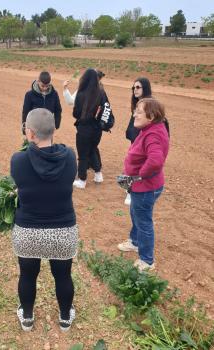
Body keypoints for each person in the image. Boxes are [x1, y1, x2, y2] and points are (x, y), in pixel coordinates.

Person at [11, 108, 78, 332]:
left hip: (28, 231)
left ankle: (27, 318)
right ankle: (65, 318)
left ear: (29, 133)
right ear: (54, 130)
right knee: (63, 275)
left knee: (28, 274)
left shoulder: (18, 160)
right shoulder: (69, 157)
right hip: (62, 232)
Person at [117, 98, 170, 272]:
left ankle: (147, 260)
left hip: (146, 187)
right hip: (144, 186)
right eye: (136, 111)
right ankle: (135, 241)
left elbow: (155, 161)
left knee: (143, 221)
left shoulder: (153, 134)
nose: (135, 114)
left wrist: (138, 177)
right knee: (136, 213)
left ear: (152, 115)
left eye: (139, 111)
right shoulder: (150, 129)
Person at [63, 70, 107, 184]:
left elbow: (76, 113)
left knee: (83, 154)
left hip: (84, 129)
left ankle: (82, 180)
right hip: (98, 129)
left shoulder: (81, 93)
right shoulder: (101, 92)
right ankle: (98, 175)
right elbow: (106, 109)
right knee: (92, 149)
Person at [124, 77, 152, 205]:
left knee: (139, 166)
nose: (135, 90)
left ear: (145, 88)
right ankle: (132, 190)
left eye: (138, 87)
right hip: (135, 141)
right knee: (133, 164)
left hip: (144, 142)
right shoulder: (137, 104)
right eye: (133, 87)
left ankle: (132, 193)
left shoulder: (149, 105)